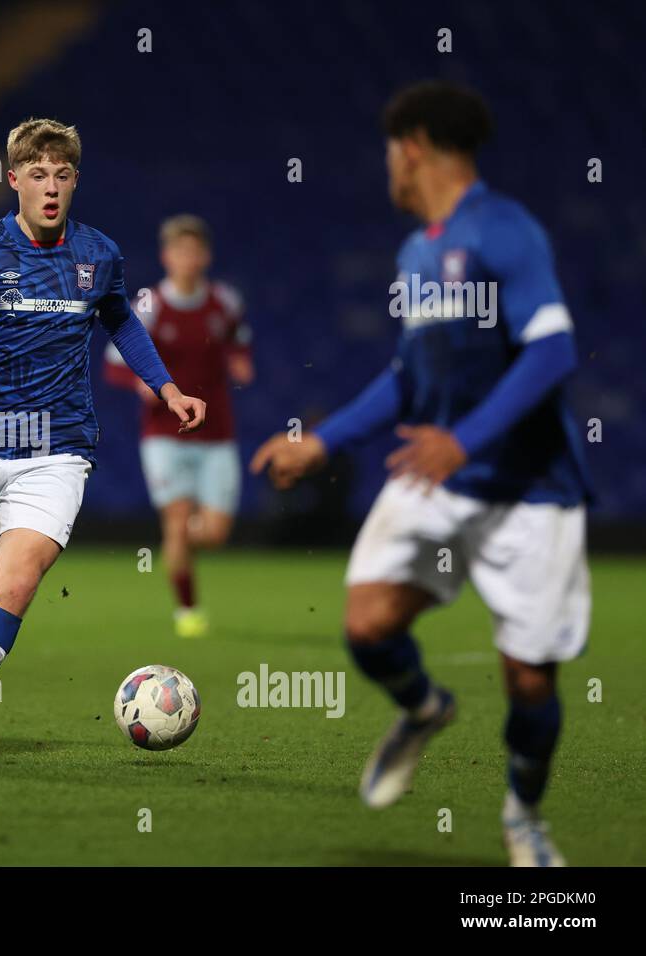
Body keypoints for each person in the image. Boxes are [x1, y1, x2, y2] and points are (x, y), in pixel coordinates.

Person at [250, 82, 592, 866]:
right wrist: (323, 441)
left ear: (413, 146)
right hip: (438, 477)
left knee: (530, 682)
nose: (388, 169)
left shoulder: (506, 231)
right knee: (368, 624)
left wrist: (465, 440)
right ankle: (425, 707)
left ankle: (523, 816)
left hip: (529, 489)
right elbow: (408, 376)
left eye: (389, 153)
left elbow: (553, 349)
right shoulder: (415, 252)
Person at [0, 118, 206, 759]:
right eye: (37, 175)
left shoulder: (99, 254)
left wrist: (167, 389)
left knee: (18, 583)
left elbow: (121, 322)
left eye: (62, 175)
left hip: (59, 451)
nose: (51, 187)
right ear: (13, 180)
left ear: (75, 180)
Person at [104, 214, 253, 637]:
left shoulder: (225, 301)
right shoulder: (149, 304)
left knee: (216, 533)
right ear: (166, 256)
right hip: (164, 432)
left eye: (194, 250)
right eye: (178, 250)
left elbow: (239, 340)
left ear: (204, 255)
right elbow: (115, 364)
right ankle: (187, 611)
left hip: (217, 432)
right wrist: (140, 384)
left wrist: (241, 362)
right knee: (177, 518)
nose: (186, 258)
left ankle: (181, 540)